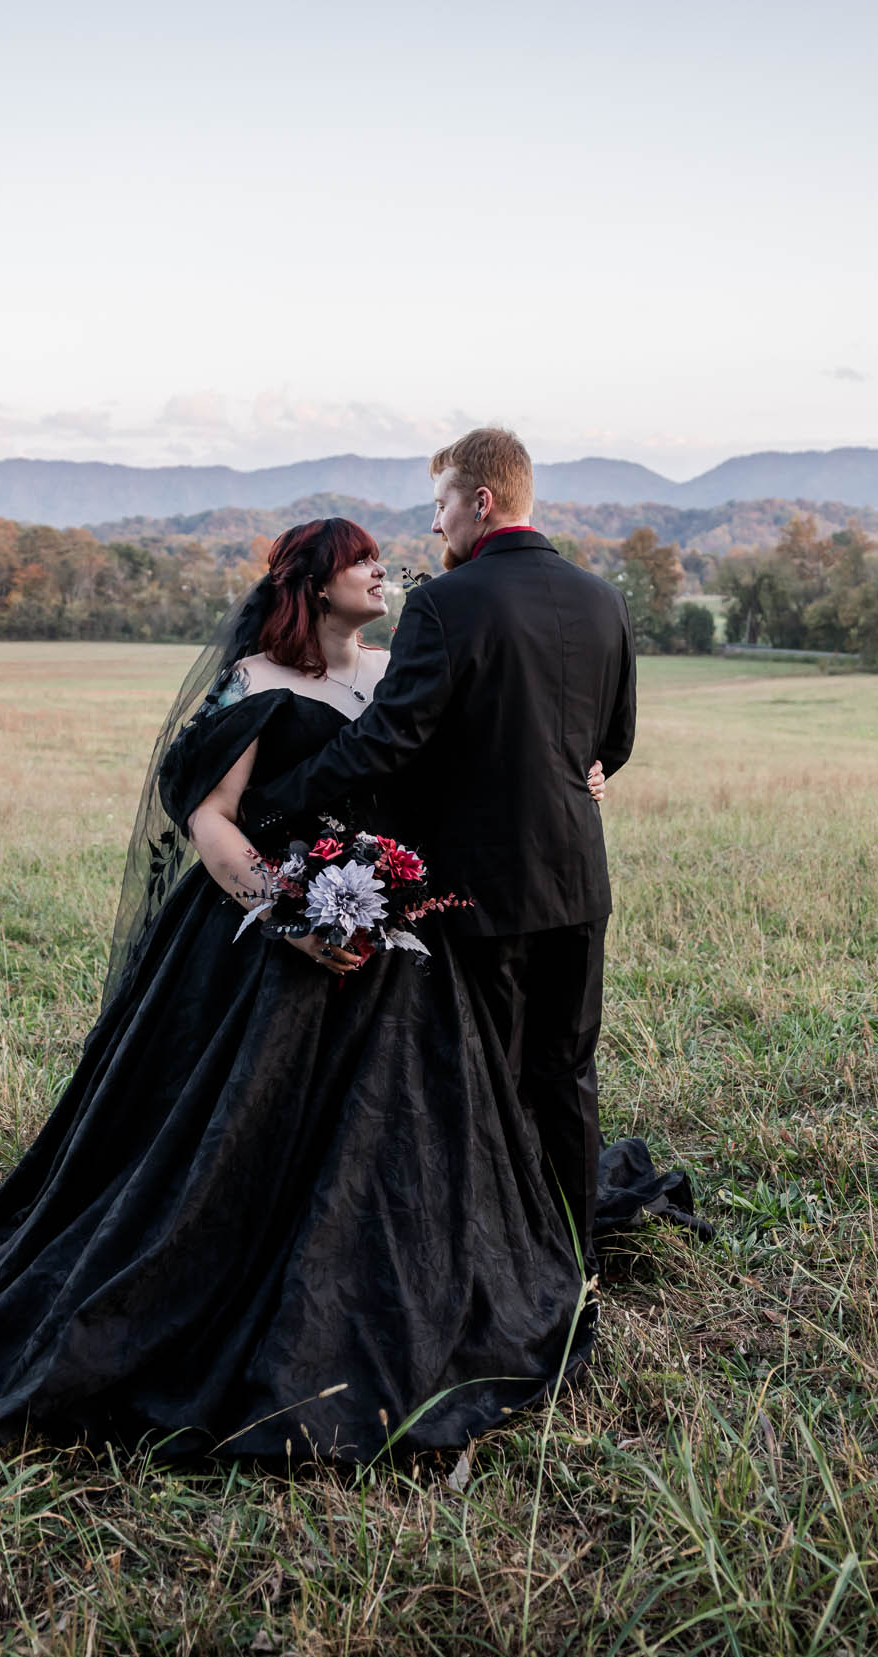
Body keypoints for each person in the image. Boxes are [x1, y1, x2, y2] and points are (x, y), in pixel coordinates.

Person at [0, 517, 614, 1464]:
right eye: (360, 559)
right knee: (230, 1145)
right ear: (313, 583)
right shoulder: (256, 682)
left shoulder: (396, 669)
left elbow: (483, 761)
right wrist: (289, 913)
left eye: (381, 557)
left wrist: (587, 772)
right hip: (268, 943)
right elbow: (211, 819)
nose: (382, 569)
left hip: (398, 940)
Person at [242, 428, 649, 1277]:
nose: (435, 526)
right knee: (567, 1070)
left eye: (441, 504)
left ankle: (503, 1257)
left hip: (479, 890)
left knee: (488, 1076)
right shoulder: (604, 600)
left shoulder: (446, 605)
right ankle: (574, 1255)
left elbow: (389, 742)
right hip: (578, 880)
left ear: (482, 502)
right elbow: (614, 741)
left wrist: (279, 800)